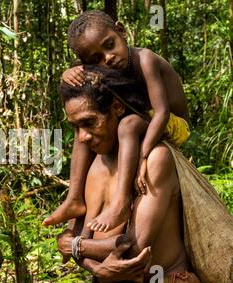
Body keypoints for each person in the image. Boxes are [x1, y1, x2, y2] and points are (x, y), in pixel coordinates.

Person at [55, 70, 206, 283]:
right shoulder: (96, 162)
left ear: (116, 107)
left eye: (89, 122)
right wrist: (94, 267)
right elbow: (78, 234)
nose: (82, 137)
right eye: (75, 127)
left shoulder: (157, 159)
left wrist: (73, 246)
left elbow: (134, 251)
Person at [43, 10, 191, 233]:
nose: (108, 58)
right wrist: (67, 73)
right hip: (144, 117)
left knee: (127, 125)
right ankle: (74, 198)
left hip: (174, 123)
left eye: (109, 45)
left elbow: (161, 113)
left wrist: (143, 155)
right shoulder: (106, 67)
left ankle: (121, 203)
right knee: (84, 128)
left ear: (121, 31)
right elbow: (79, 73)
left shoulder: (146, 60)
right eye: (96, 60)